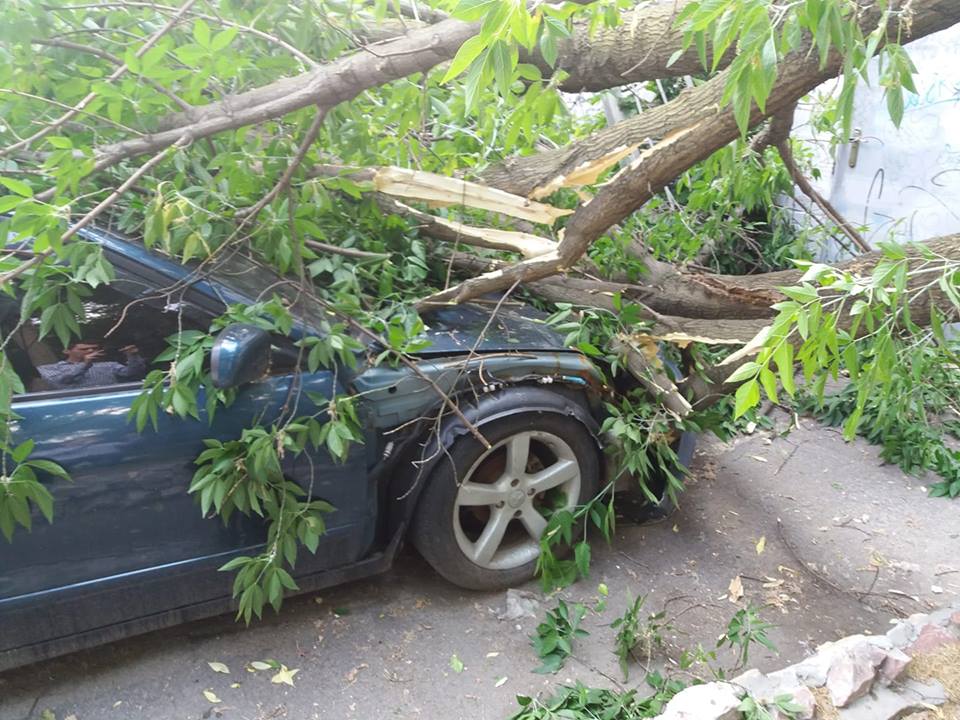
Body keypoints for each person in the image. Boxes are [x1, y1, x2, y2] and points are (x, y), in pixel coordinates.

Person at [38, 341, 146, 389]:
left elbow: (132, 373)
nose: (90, 350)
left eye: (94, 348)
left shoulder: (109, 365)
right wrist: (85, 364)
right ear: (67, 351)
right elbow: (63, 381)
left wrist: (133, 356)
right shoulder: (52, 368)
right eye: (84, 349)